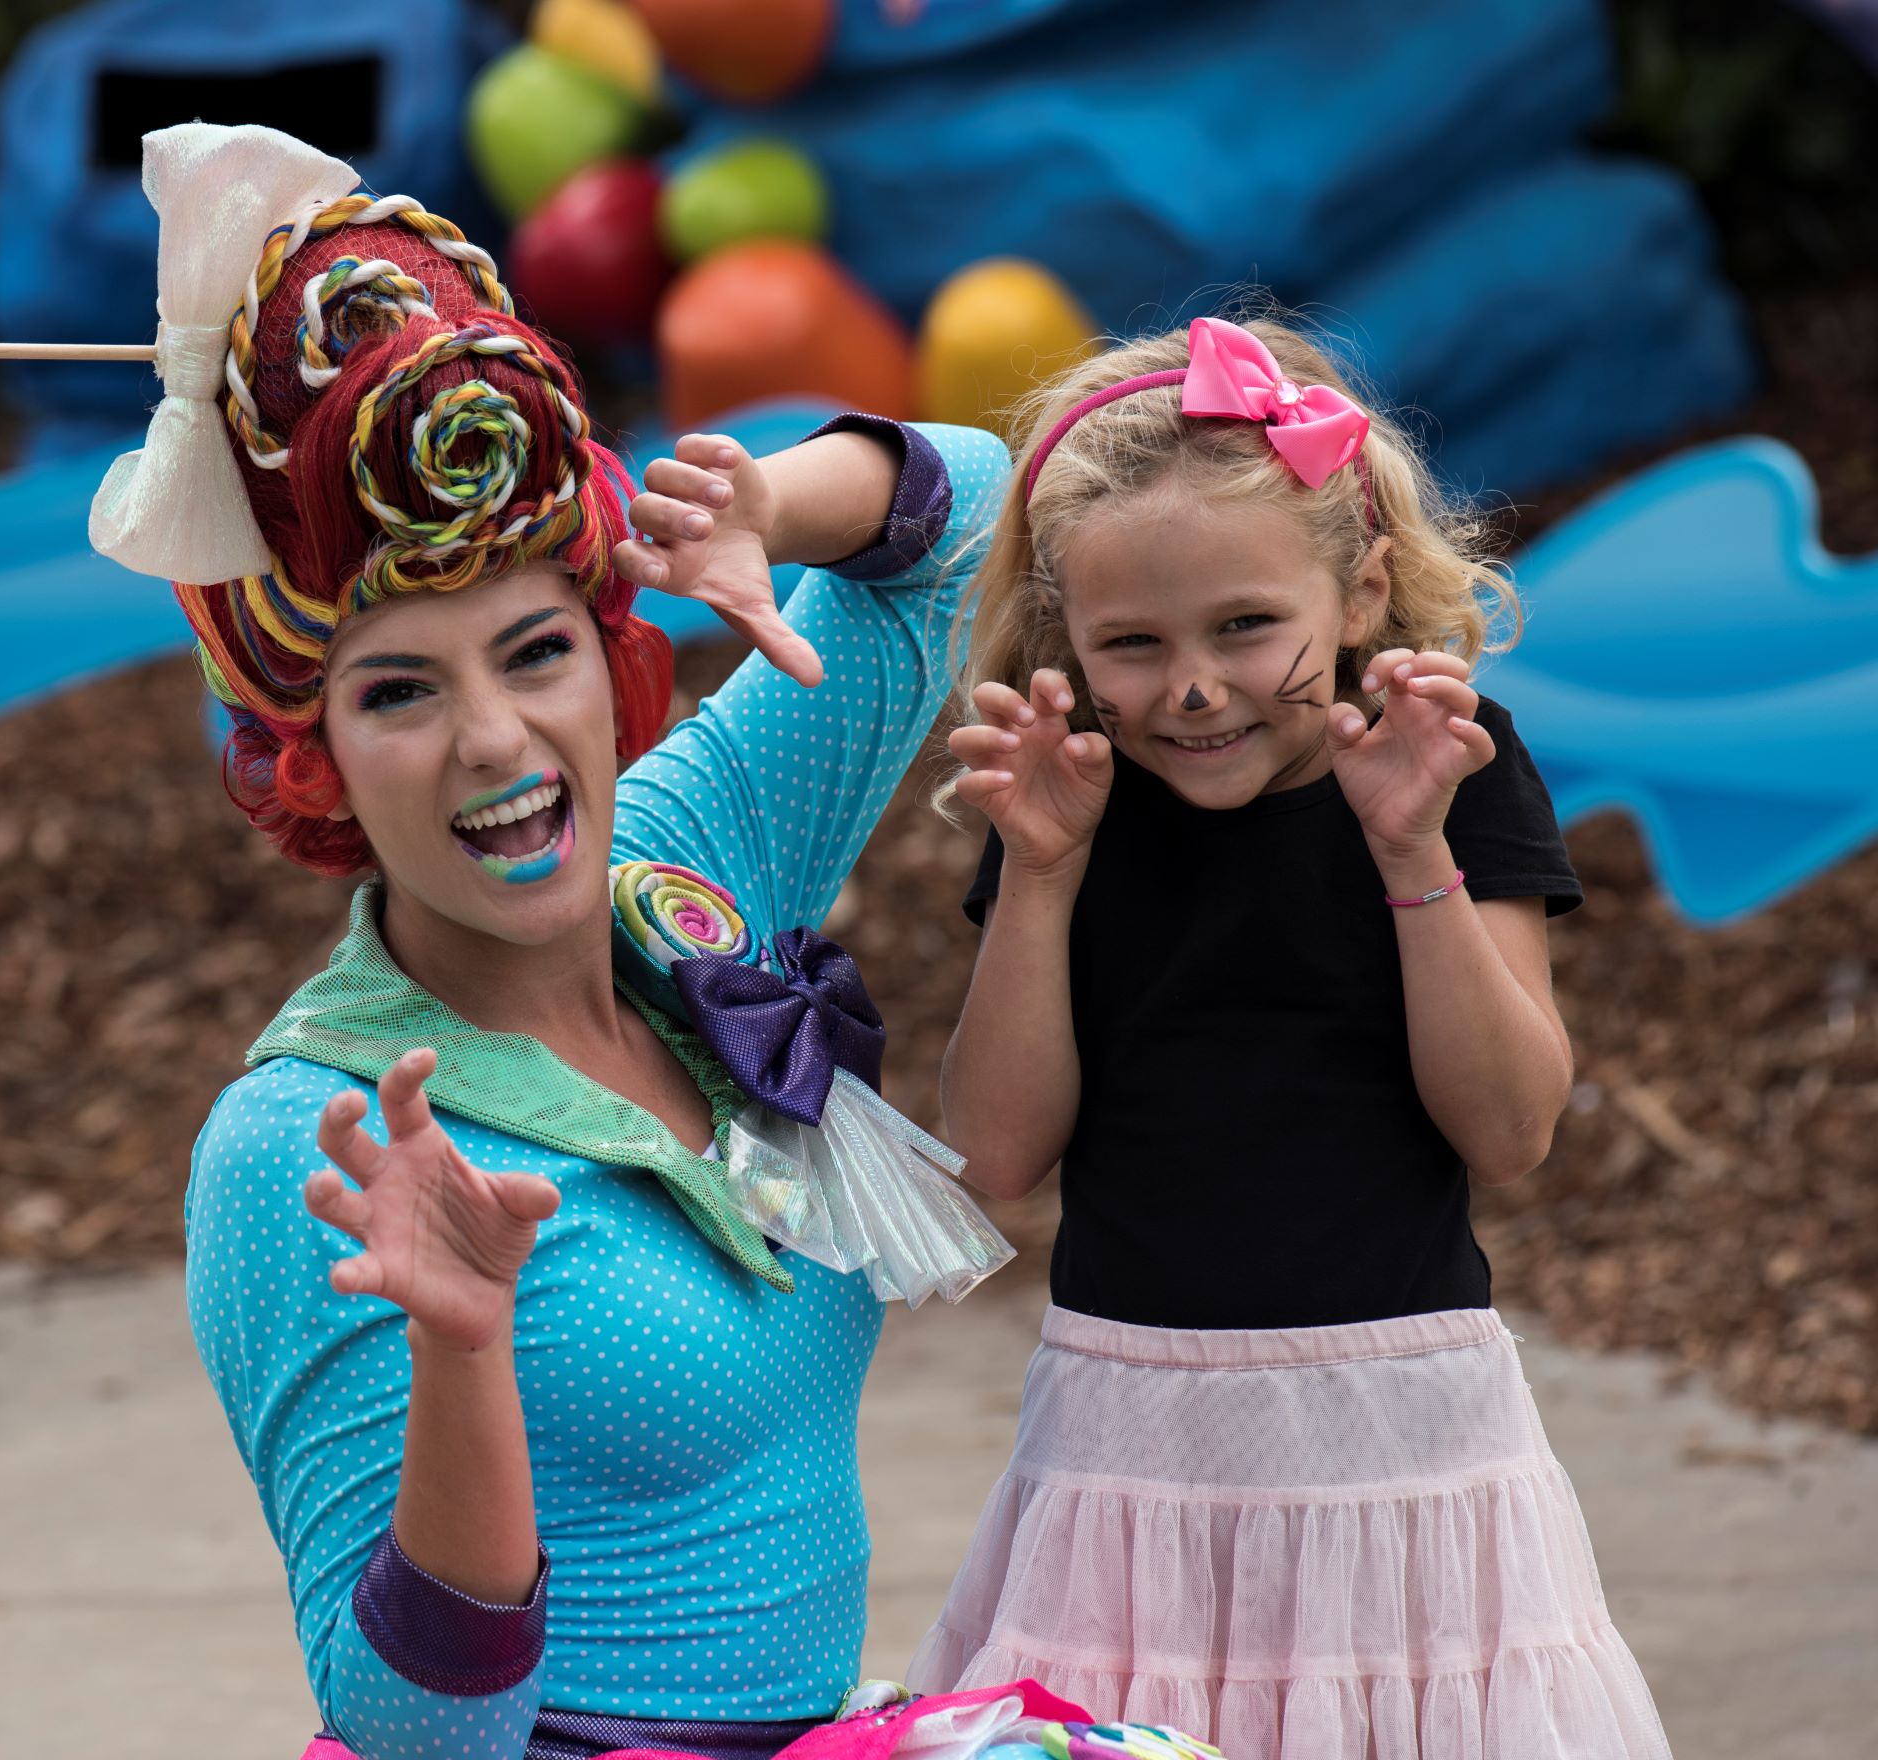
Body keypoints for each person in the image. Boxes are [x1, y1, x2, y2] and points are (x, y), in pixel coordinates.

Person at [91, 126, 1010, 1760]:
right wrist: (463, 1355)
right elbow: (410, 1734)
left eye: (534, 655)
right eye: (398, 692)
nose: (495, 741)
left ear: (610, 662)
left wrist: (761, 507)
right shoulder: (310, 1143)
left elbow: (987, 523)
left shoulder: (686, 867)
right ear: (313, 759)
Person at [914, 314, 1672, 1758]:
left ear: (1363, 584)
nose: (1192, 688)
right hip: (1123, 1454)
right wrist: (1043, 874)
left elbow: (1509, 1131)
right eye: (1132, 644)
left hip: (1406, 1438)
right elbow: (999, 1154)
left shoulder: (1453, 771)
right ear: (1066, 638)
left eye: (1246, 628)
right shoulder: (1070, 809)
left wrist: (1408, 849)